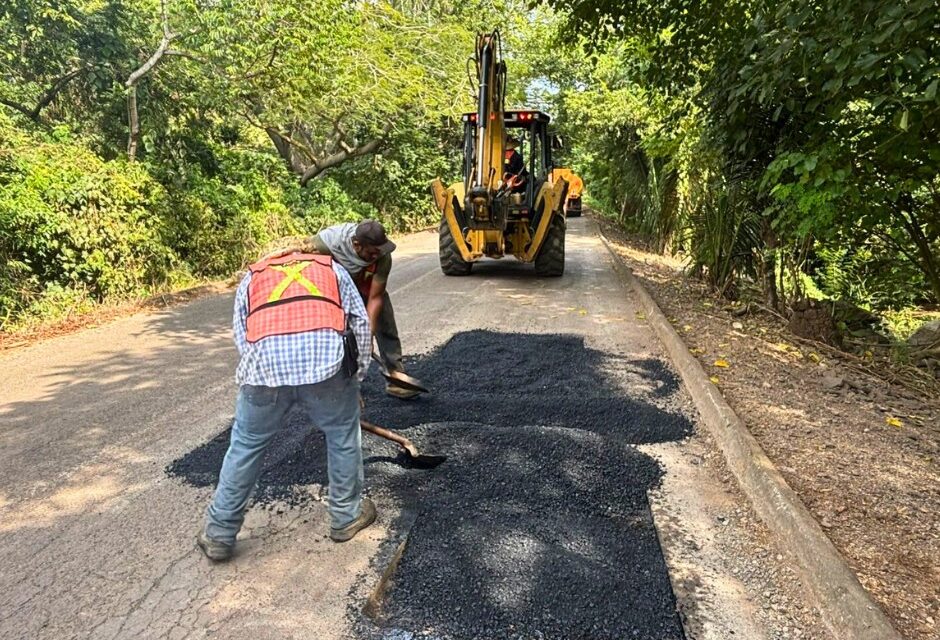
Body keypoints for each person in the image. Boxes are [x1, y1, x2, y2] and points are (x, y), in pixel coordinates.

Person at [196, 249, 374, 562]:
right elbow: (360, 324)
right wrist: (355, 378)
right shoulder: (332, 269)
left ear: (274, 257)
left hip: (264, 372)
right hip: (325, 369)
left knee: (245, 445)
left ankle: (219, 534)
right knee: (343, 435)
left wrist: (261, 368)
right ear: (306, 252)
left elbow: (243, 334)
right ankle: (346, 516)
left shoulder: (253, 276)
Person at [282, 220, 422, 400]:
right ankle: (339, 382)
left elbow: (375, 297)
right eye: (372, 252)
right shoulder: (324, 246)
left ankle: (395, 375)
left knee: (384, 320)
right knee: (339, 333)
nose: (377, 255)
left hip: (365, 283)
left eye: (379, 251)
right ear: (357, 245)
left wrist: (367, 336)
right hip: (331, 289)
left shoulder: (382, 255)